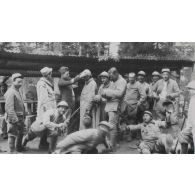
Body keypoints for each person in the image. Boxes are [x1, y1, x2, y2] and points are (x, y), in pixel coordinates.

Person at [101, 67, 127, 149]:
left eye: (111, 76)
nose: (110, 78)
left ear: (116, 74)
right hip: (110, 105)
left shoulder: (122, 81)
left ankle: (112, 145)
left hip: (116, 106)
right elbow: (111, 94)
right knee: (114, 124)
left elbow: (119, 93)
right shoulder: (114, 81)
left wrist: (106, 92)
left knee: (112, 125)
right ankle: (115, 142)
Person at [120, 72, 146, 141]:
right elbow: (124, 94)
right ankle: (130, 135)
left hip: (135, 105)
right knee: (128, 120)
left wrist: (139, 102)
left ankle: (137, 135)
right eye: (129, 78)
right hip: (127, 105)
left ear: (135, 78)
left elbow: (143, 95)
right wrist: (125, 101)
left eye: (132, 78)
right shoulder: (127, 85)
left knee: (135, 120)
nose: (131, 79)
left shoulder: (138, 85)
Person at [4, 73, 26, 153]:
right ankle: (12, 151)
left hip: (20, 117)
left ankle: (19, 147)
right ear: (13, 81)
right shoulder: (11, 92)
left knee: (21, 133)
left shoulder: (17, 90)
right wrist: (15, 120)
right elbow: (9, 108)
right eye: (18, 82)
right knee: (12, 135)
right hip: (14, 118)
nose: (20, 84)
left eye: (21, 82)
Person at [37, 67, 57, 149]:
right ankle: (42, 143)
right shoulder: (42, 83)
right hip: (45, 108)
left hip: (49, 107)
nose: (51, 75)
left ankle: (44, 142)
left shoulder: (46, 83)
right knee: (45, 125)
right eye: (50, 73)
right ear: (47, 74)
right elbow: (43, 98)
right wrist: (47, 111)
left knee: (46, 125)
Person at [178, 80, 195, 154]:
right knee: (183, 135)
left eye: (191, 89)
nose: (189, 90)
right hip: (191, 125)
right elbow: (191, 115)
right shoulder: (192, 99)